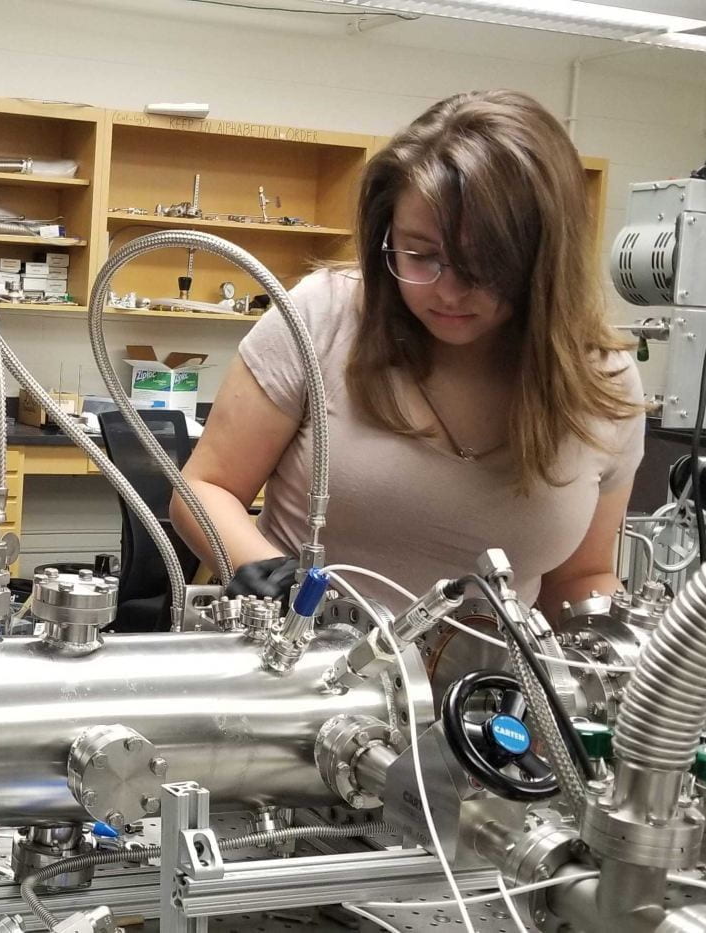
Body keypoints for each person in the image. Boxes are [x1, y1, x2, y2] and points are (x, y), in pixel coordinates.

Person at [174, 89, 645, 617]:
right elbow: (205, 488)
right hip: (304, 673)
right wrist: (274, 583)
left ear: (544, 259)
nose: (447, 290)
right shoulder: (322, 317)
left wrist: (622, 654)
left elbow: (582, 577)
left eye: (484, 264)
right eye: (420, 254)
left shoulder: (603, 381)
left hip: (486, 695)